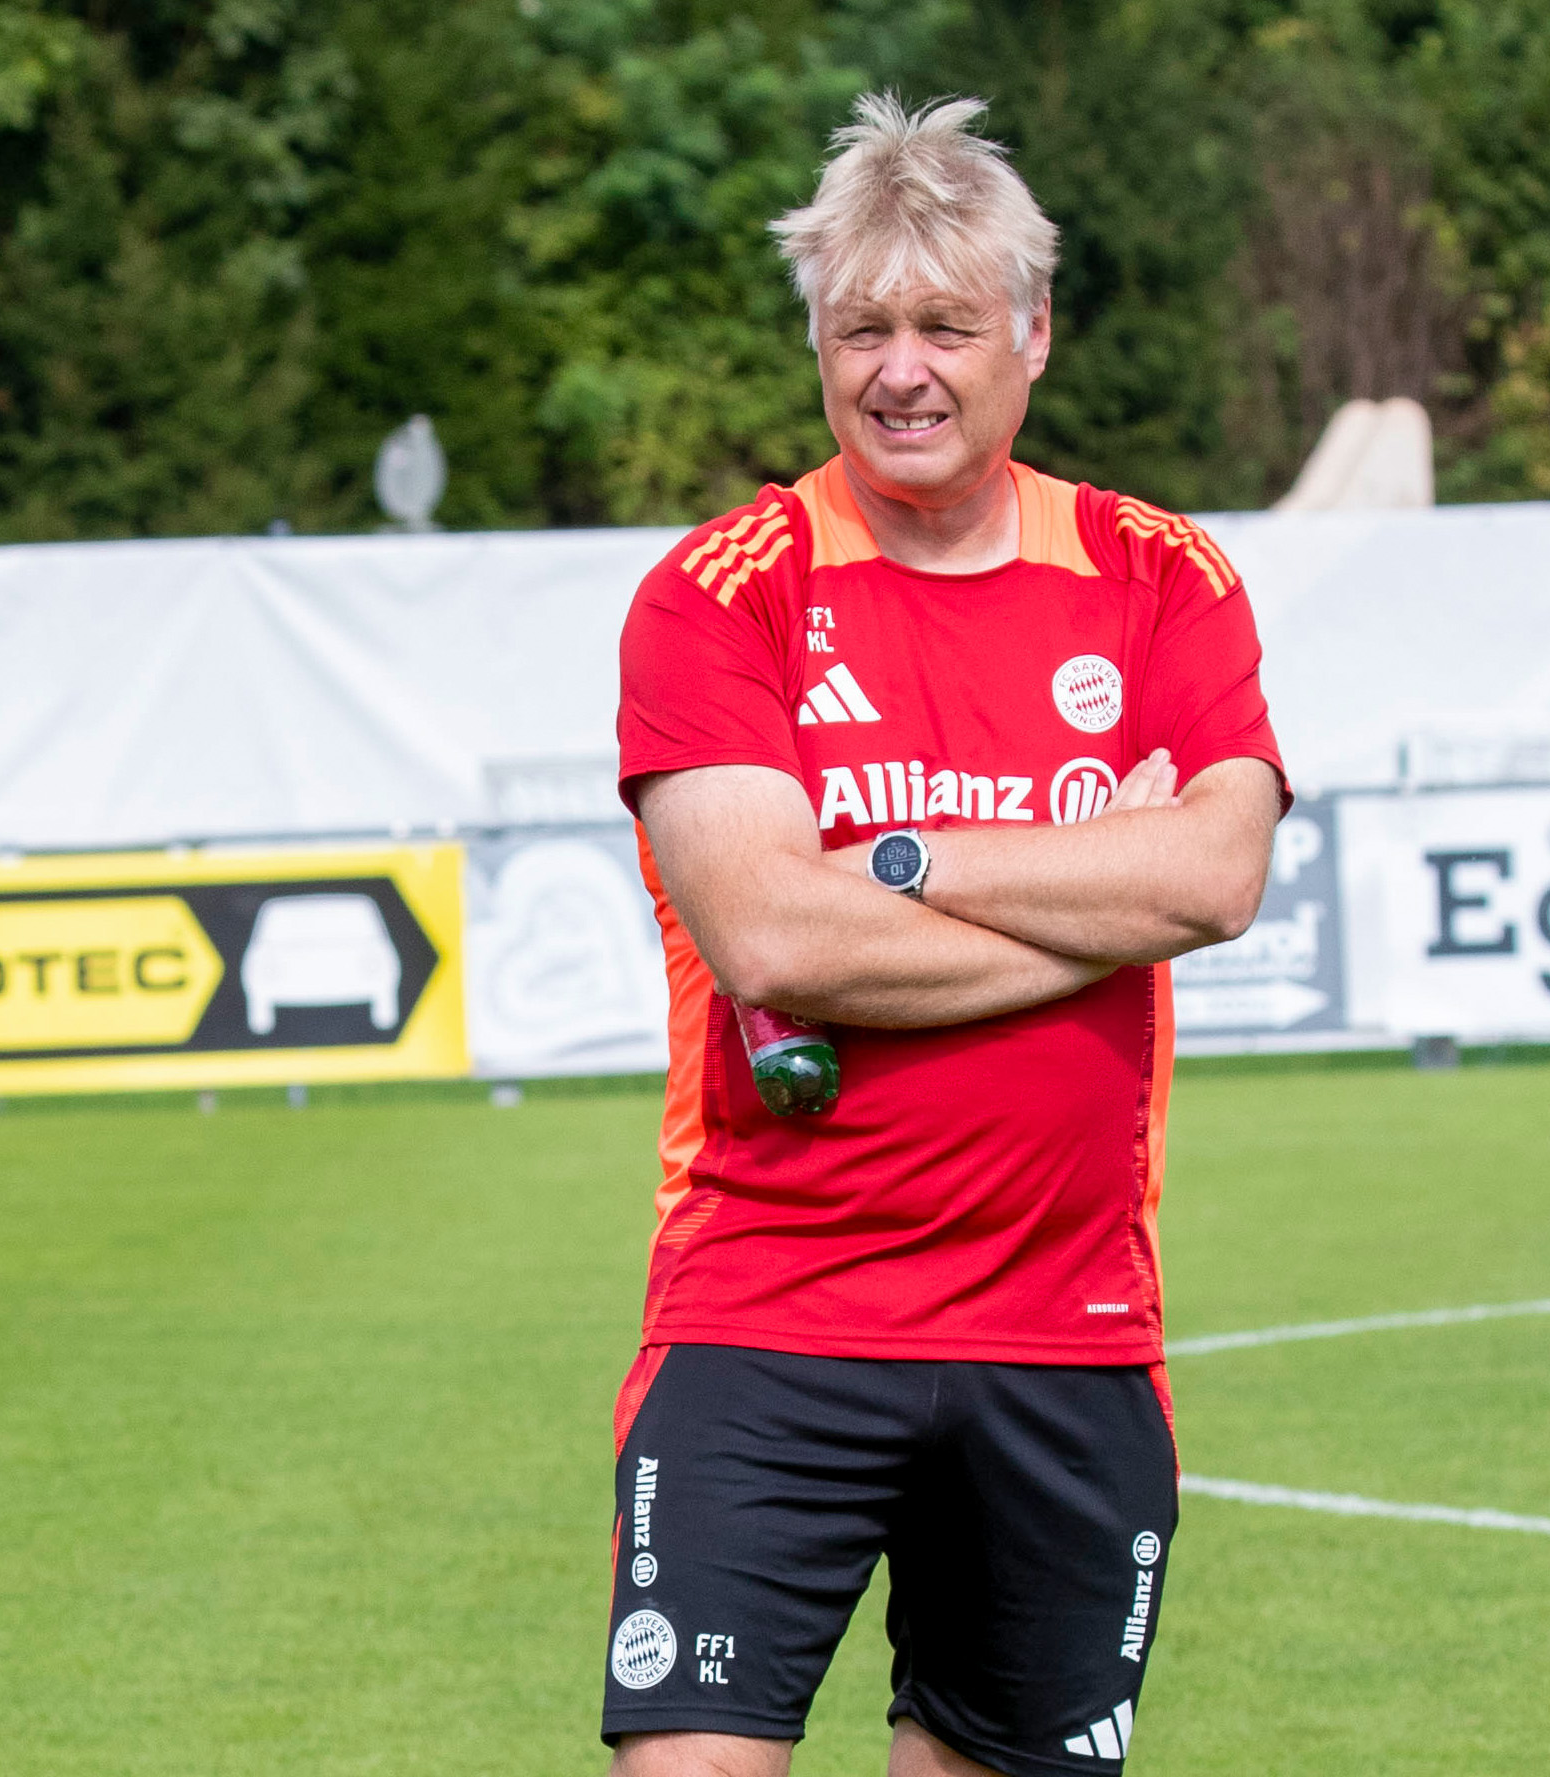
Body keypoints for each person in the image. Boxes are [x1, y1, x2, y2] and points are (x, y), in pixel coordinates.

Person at [601, 96, 1284, 1777]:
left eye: (946, 325)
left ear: (1033, 335)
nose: (901, 369)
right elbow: (774, 936)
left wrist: (896, 859)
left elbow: (1214, 878)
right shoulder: (723, 589)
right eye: (863, 328)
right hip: (769, 1320)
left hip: (1066, 1332)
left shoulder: (1156, 574)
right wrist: (1092, 889)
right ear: (819, 345)